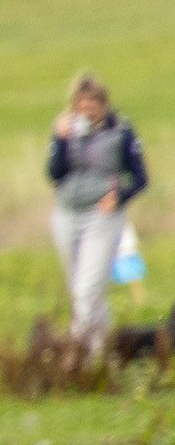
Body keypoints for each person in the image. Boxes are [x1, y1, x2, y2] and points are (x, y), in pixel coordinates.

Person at [46, 69, 149, 345]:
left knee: (87, 290)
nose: (86, 109)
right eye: (81, 103)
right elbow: (54, 174)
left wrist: (120, 196)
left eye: (92, 102)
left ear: (103, 103)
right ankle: (99, 355)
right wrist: (59, 140)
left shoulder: (121, 132)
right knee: (84, 291)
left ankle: (75, 353)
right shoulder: (67, 130)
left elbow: (141, 178)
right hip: (67, 212)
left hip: (102, 215)